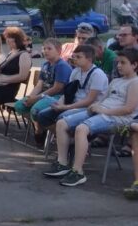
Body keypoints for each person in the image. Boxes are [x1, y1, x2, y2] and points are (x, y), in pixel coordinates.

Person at [44, 49, 138, 188]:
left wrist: (104, 110)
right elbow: (104, 99)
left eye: (123, 63)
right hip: (101, 111)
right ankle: (62, 163)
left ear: (135, 65)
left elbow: (128, 109)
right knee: (62, 123)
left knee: (82, 128)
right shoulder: (116, 81)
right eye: (118, 63)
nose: (119, 66)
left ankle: (78, 172)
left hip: (118, 118)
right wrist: (96, 106)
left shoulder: (135, 83)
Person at [12, 38, 72, 146]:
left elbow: (57, 88)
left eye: (49, 48)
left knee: (35, 110)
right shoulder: (45, 65)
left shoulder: (62, 66)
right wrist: (30, 97)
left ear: (59, 51)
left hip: (58, 97)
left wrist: (36, 99)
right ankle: (40, 126)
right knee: (19, 105)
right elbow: (39, 85)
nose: (46, 51)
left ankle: (40, 131)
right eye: (44, 48)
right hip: (43, 95)